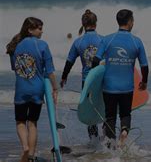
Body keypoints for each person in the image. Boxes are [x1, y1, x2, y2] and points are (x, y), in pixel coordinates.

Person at [91, 9, 149, 147]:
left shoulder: (107, 39)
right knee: (125, 114)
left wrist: (95, 80)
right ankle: (124, 131)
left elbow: (95, 61)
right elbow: (145, 66)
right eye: (133, 20)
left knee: (110, 117)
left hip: (109, 87)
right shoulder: (137, 42)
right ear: (129, 22)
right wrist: (144, 82)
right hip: (127, 87)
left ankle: (111, 148)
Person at [6, 17, 59, 162]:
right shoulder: (42, 45)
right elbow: (50, 72)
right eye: (39, 28)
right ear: (30, 29)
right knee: (32, 123)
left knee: (20, 122)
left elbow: (14, 68)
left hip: (21, 89)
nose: (42, 31)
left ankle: (25, 147)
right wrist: (55, 88)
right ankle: (31, 156)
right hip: (37, 90)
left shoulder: (14, 45)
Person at [60, 9, 103, 140]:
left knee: (90, 112)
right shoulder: (103, 40)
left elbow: (69, 62)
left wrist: (64, 77)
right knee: (105, 109)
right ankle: (108, 140)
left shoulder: (78, 42)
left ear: (83, 24)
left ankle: (94, 141)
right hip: (103, 80)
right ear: (96, 23)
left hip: (87, 81)